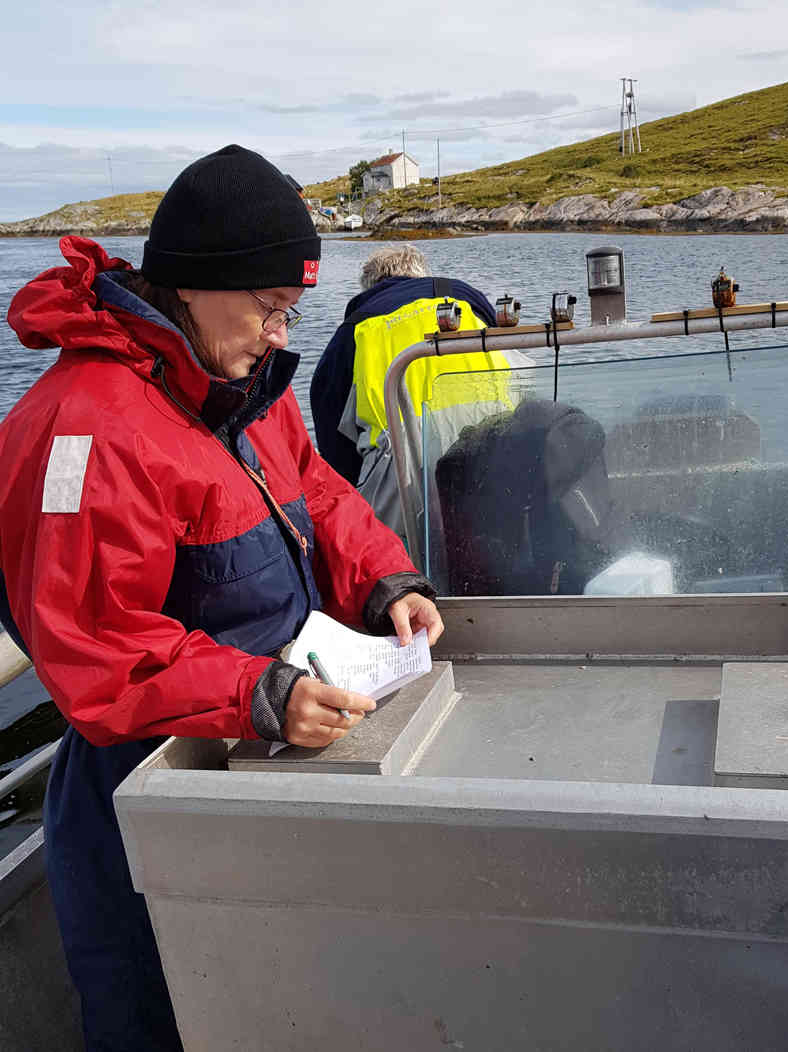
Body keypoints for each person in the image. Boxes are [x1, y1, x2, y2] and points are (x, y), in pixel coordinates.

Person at [0, 144, 442, 1051]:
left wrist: (386, 576)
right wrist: (259, 697)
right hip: (148, 794)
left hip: (268, 747)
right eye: (271, 307)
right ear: (196, 286)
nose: (282, 334)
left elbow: (316, 490)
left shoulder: (239, 383)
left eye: (291, 310)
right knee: (163, 1015)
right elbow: (98, 650)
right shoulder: (84, 429)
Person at [310, 244, 528, 537]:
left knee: (394, 559)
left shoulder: (356, 329)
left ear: (370, 286)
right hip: (492, 444)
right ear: (420, 274)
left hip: (400, 468)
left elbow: (331, 431)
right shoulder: (467, 302)